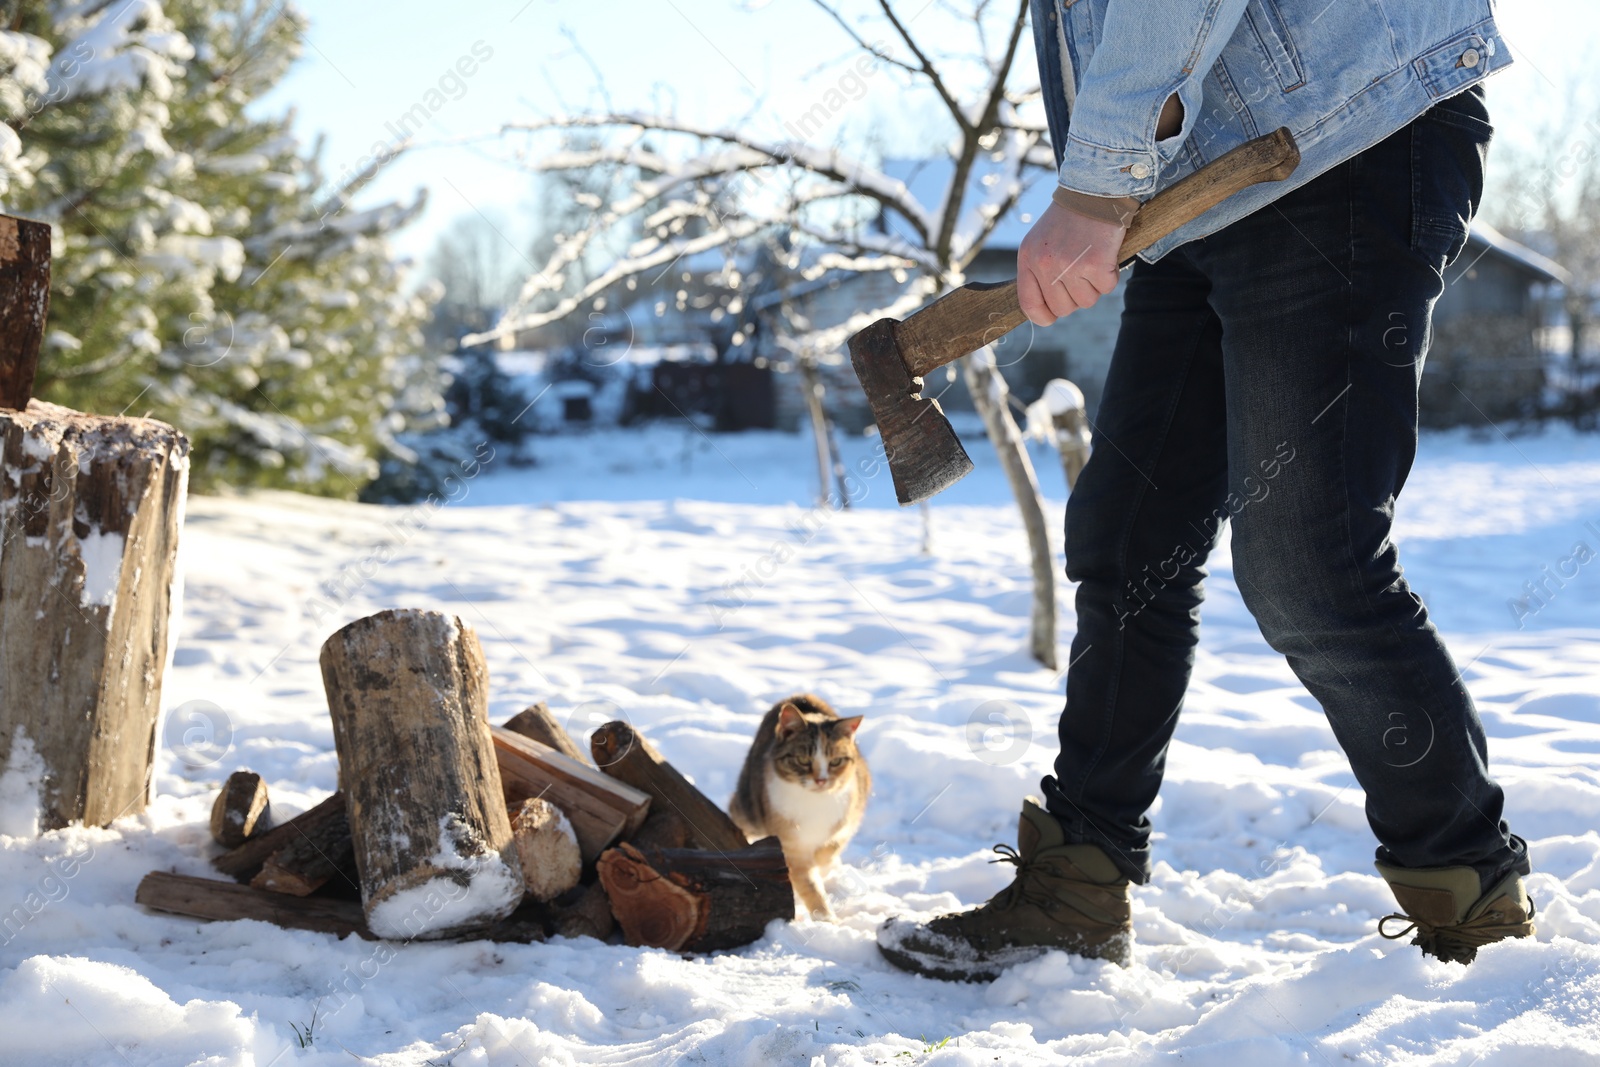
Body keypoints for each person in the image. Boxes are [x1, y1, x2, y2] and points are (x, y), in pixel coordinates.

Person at [878, 0, 1535, 981]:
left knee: (1307, 559)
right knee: (1127, 537)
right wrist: (1114, 183)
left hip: (1338, 133)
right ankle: (1077, 883)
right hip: (1207, 177)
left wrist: (1095, 185)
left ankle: (1470, 903)